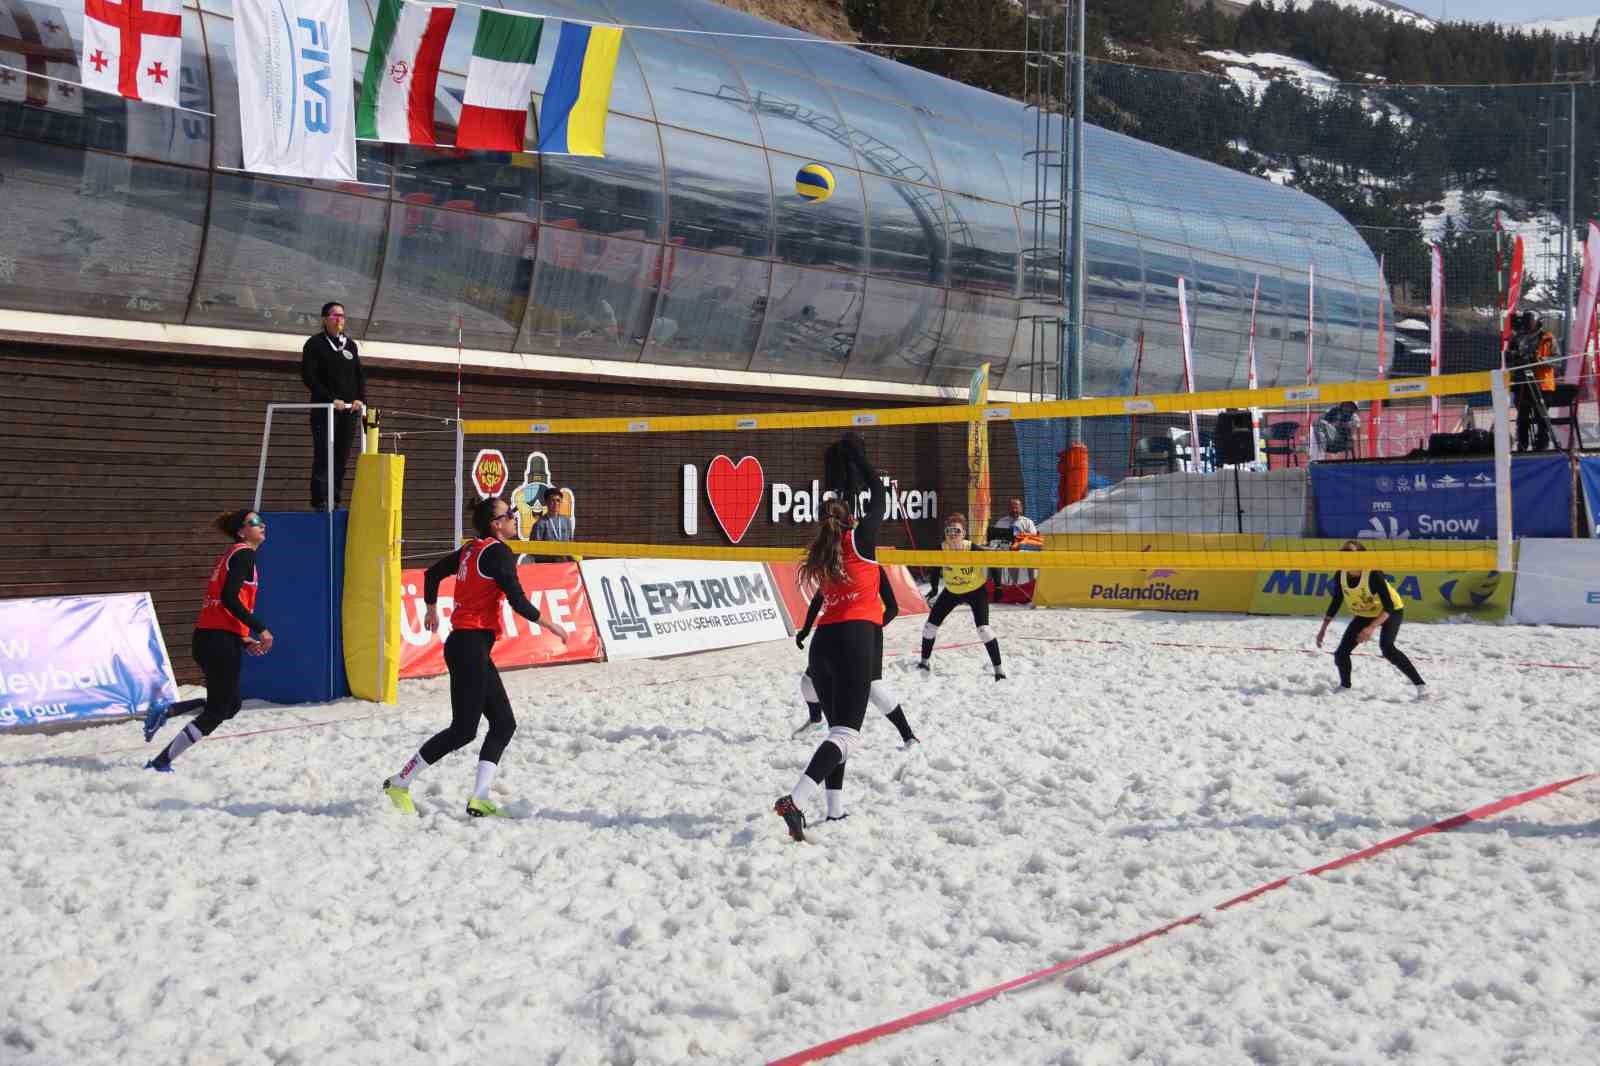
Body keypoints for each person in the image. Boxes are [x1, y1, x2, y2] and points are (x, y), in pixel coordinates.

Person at [382, 497, 571, 817]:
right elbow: (517, 600)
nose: (514, 518)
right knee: (463, 729)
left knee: (503, 723)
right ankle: (399, 782)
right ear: (496, 525)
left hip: (468, 645)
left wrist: (431, 609)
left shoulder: (472, 548)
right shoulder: (497, 552)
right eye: (509, 514)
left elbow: (432, 574)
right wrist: (551, 624)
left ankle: (479, 797)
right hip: (469, 645)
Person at [773, 434, 884, 843]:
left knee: (836, 730)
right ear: (850, 521)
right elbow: (877, 494)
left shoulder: (822, 551)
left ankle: (834, 811)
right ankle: (796, 800)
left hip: (824, 643)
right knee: (846, 735)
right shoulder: (861, 540)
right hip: (855, 637)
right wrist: (862, 461)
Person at [143, 510, 274, 771]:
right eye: (254, 522)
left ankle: (169, 711)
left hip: (210, 638)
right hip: (217, 641)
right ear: (241, 531)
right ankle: (161, 762)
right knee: (218, 710)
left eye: (261, 521)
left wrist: (244, 638)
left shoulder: (234, 554)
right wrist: (261, 629)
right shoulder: (244, 553)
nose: (262, 525)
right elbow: (228, 598)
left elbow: (221, 606)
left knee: (230, 705)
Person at [792, 568, 919, 758]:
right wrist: (805, 629)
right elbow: (819, 598)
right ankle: (816, 719)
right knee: (808, 681)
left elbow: (892, 608)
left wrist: (867, 628)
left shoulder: (871, 566)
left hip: (867, 633)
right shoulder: (833, 562)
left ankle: (909, 737)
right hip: (836, 631)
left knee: (873, 688)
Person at [1315, 541, 1427, 699]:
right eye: (1343, 551)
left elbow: (1388, 606)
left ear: (1361, 556)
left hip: (1390, 611)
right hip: (1365, 613)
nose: (1345, 555)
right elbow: (1337, 600)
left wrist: (1371, 628)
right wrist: (1323, 629)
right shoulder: (1341, 573)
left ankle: (1421, 686)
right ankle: (1345, 686)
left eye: (1349, 552)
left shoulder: (1373, 573)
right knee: (1341, 654)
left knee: (1387, 648)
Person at [917, 513, 1005, 680]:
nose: (952, 534)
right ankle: (924, 662)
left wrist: (998, 586)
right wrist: (935, 588)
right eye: (949, 530)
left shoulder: (971, 548)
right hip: (952, 591)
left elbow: (993, 562)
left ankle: (999, 671)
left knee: (984, 630)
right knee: (929, 627)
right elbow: (935, 569)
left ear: (963, 533)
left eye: (956, 531)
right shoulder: (941, 548)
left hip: (975, 591)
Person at [301, 301, 367, 510]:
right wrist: (330, 399)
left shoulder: (350, 345)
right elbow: (309, 377)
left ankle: (334, 499)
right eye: (335, 316)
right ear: (325, 319)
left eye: (342, 316)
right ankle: (320, 500)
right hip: (326, 410)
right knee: (324, 454)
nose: (340, 320)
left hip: (349, 411)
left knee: (341, 456)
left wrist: (359, 398)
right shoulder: (315, 344)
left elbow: (358, 376)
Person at [1508, 311, 1556, 452]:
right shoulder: (1517, 339)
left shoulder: (1548, 338)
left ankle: (1541, 444)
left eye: (1531, 322)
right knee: (1522, 416)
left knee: (1541, 415)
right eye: (1526, 322)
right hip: (1522, 383)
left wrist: (1541, 360)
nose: (1529, 325)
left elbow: (1557, 361)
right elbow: (1511, 359)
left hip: (1542, 384)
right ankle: (1522, 444)